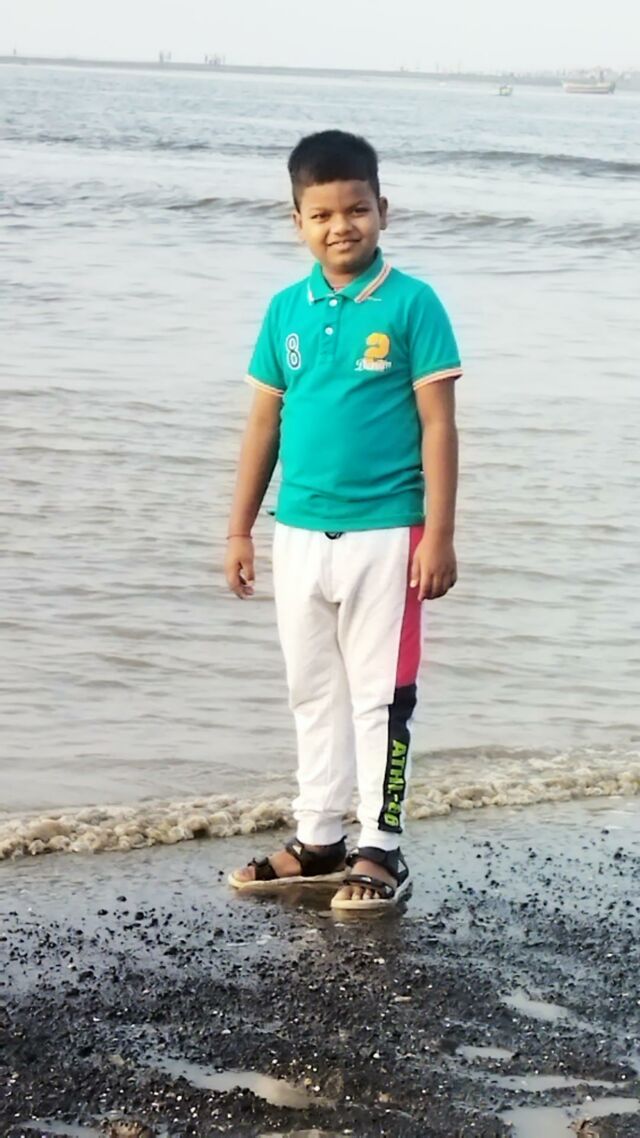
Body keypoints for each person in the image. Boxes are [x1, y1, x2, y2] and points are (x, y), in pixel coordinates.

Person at [224, 130, 462, 910]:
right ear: (297, 221)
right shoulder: (284, 310)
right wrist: (239, 528)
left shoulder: (413, 304)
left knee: (381, 696)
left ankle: (381, 849)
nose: (341, 226)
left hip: (389, 531)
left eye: (356, 209)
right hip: (298, 531)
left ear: (382, 210)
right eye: (322, 214)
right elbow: (264, 424)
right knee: (312, 689)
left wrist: (440, 533)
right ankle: (319, 837)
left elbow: (439, 425)